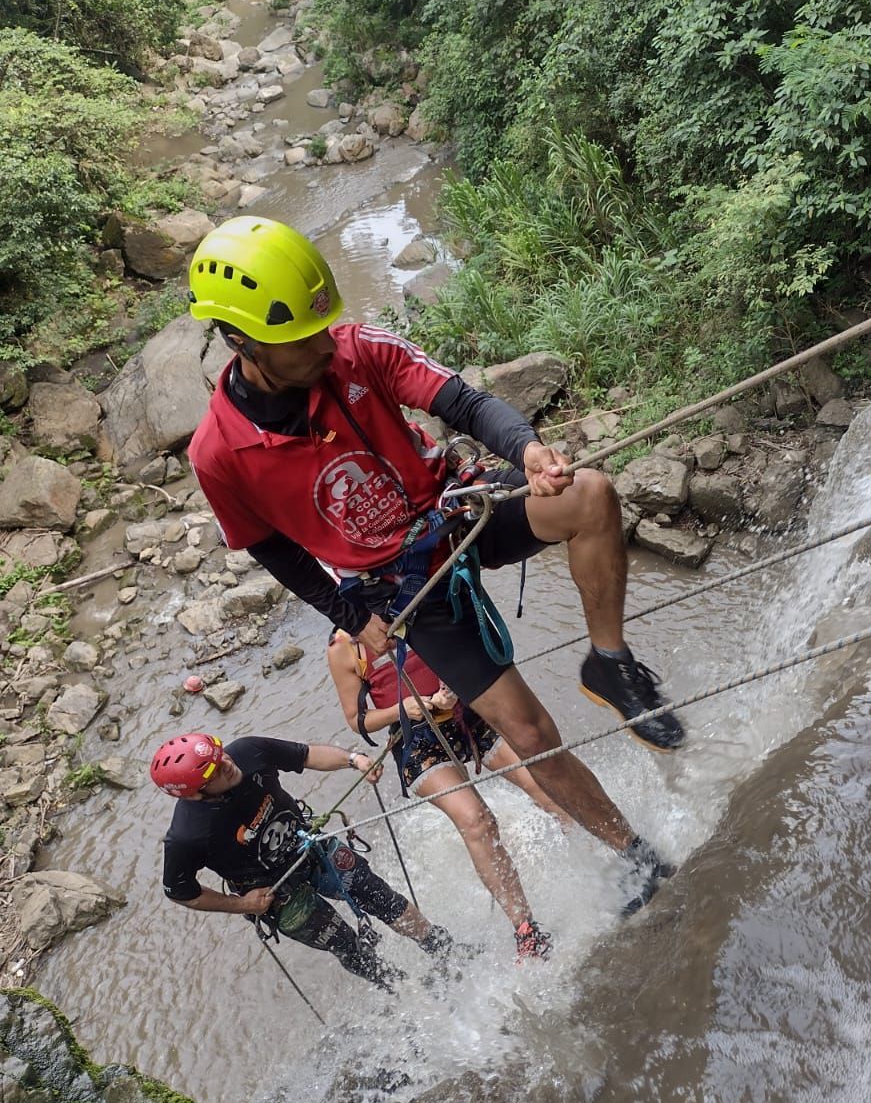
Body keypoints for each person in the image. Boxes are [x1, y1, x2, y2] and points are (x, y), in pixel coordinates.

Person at [186, 216, 677, 916]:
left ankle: (609, 661)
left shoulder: (355, 351)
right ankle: (636, 857)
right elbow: (271, 546)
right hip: (401, 584)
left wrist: (528, 451)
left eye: (325, 327)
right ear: (243, 342)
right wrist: (354, 617)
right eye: (302, 340)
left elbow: (464, 402)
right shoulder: (219, 453)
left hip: (456, 510)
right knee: (530, 734)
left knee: (589, 496)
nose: (325, 344)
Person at [328, 632, 570, 959]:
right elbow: (358, 720)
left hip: (468, 711)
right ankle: (526, 930)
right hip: (417, 737)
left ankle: (607, 856)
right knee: (477, 820)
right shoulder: (343, 648)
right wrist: (405, 709)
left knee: (543, 780)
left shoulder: (408, 600)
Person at [153, 729, 454, 989]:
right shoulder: (188, 836)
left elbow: (305, 755)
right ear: (193, 795)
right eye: (212, 772)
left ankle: (441, 948)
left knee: (379, 896)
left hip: (309, 847)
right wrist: (241, 905)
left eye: (220, 756)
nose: (226, 765)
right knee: (348, 945)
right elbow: (180, 892)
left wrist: (353, 760)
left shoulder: (247, 751)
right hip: (274, 893)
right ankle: (401, 988)